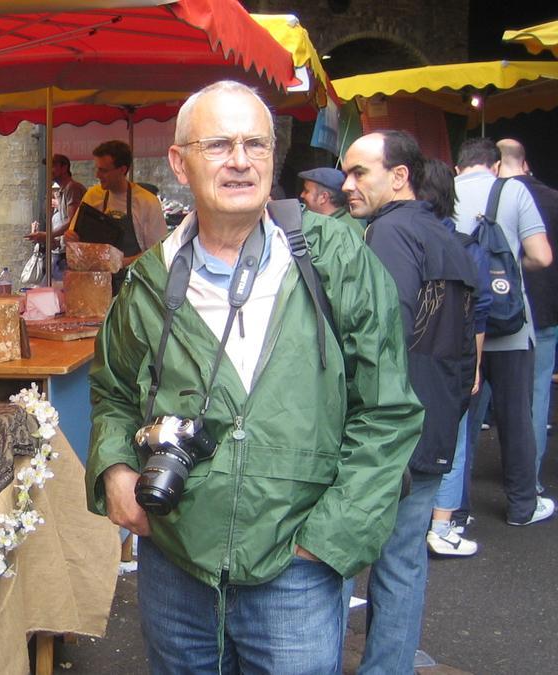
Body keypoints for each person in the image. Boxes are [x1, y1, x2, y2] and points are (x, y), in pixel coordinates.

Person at [86, 81, 421, 674]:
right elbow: (113, 392)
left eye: (255, 144)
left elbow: (387, 411)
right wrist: (115, 467)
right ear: (179, 163)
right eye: (217, 144)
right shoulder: (148, 283)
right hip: (177, 562)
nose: (240, 161)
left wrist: (328, 542)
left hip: (296, 570)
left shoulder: (333, 258)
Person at [341, 131, 478, 672]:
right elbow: (466, 342)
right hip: (434, 420)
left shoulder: (389, 233)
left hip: (387, 430)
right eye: (346, 173)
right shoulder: (448, 237)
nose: (348, 185)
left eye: (360, 173)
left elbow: (383, 336)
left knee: (338, 557)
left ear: (399, 177)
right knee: (403, 562)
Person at [453, 137, 554, 526]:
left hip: (461, 326)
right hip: (511, 324)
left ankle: (455, 512)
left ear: (460, 166)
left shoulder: (445, 191)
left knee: (462, 422)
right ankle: (521, 506)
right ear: (495, 166)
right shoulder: (513, 191)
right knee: (516, 418)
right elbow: (542, 255)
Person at [415, 157, 490, 558]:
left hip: (413, 362)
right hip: (449, 362)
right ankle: (441, 526)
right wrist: (474, 366)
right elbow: (479, 313)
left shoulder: (391, 236)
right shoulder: (466, 246)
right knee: (454, 438)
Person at [498, 138, 558, 496]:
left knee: (480, 398)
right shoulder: (552, 197)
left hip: (496, 312)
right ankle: (528, 484)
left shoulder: (491, 198)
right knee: (535, 395)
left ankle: (455, 500)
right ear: (525, 161)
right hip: (546, 308)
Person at [66, 140, 165, 278]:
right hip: (96, 282)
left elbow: (157, 253)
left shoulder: (147, 202)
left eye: (103, 170)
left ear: (122, 170)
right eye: (97, 169)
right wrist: (71, 239)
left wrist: (123, 263)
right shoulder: (93, 195)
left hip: (133, 282)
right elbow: (75, 238)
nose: (97, 175)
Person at [27, 154, 88, 281]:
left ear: (64, 167)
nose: (49, 170)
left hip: (70, 254)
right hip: (63, 253)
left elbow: (72, 221)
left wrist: (48, 235)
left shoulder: (73, 188)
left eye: (53, 166)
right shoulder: (62, 191)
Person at [297, 166, 365, 236]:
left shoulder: (337, 232)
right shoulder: (336, 223)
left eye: (306, 191)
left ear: (323, 197)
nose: (302, 195)